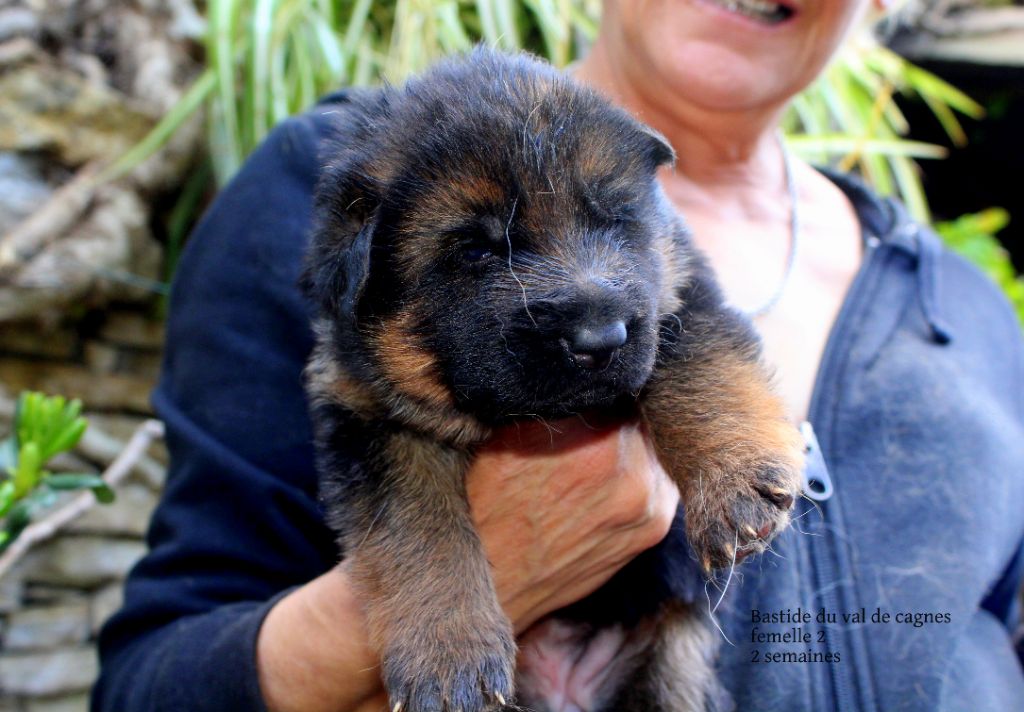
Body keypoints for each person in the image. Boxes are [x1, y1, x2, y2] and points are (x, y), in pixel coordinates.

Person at [92, 1, 1024, 711]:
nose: (588, 310)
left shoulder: (971, 311)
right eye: (472, 250)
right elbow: (149, 679)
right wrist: (453, 594)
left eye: (616, 223)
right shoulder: (330, 178)